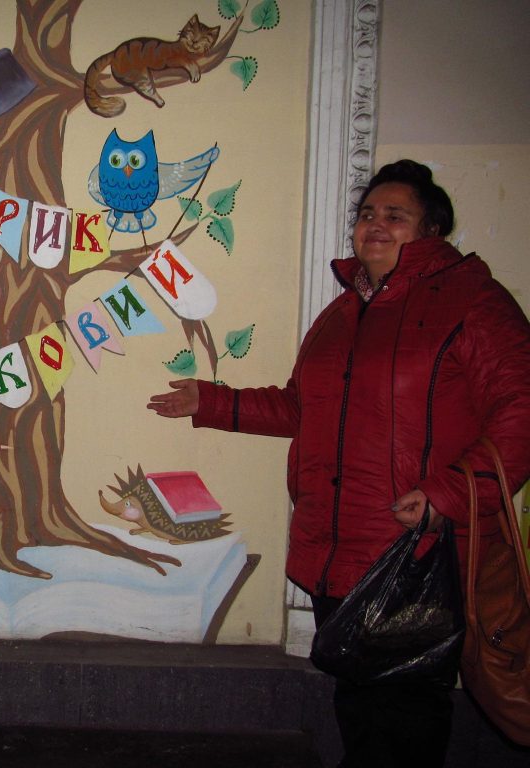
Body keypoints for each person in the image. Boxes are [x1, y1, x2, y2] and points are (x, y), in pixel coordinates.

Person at [148, 159, 530, 767]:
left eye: (395, 216)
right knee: (358, 700)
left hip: (415, 549)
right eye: (367, 214)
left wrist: (449, 495)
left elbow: (520, 411)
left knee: (403, 712)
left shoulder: (473, 302)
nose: (375, 225)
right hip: (335, 544)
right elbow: (303, 406)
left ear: (431, 230)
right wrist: (214, 402)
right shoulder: (343, 313)